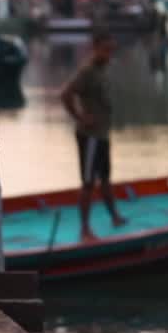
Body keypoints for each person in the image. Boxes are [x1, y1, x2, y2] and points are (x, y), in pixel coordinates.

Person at [61, 31, 127, 241]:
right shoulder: (87, 72)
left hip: (102, 135)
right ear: (96, 48)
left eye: (111, 50)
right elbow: (66, 94)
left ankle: (115, 216)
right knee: (88, 183)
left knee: (105, 179)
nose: (109, 54)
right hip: (89, 136)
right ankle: (85, 229)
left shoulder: (102, 71)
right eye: (105, 50)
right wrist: (79, 117)